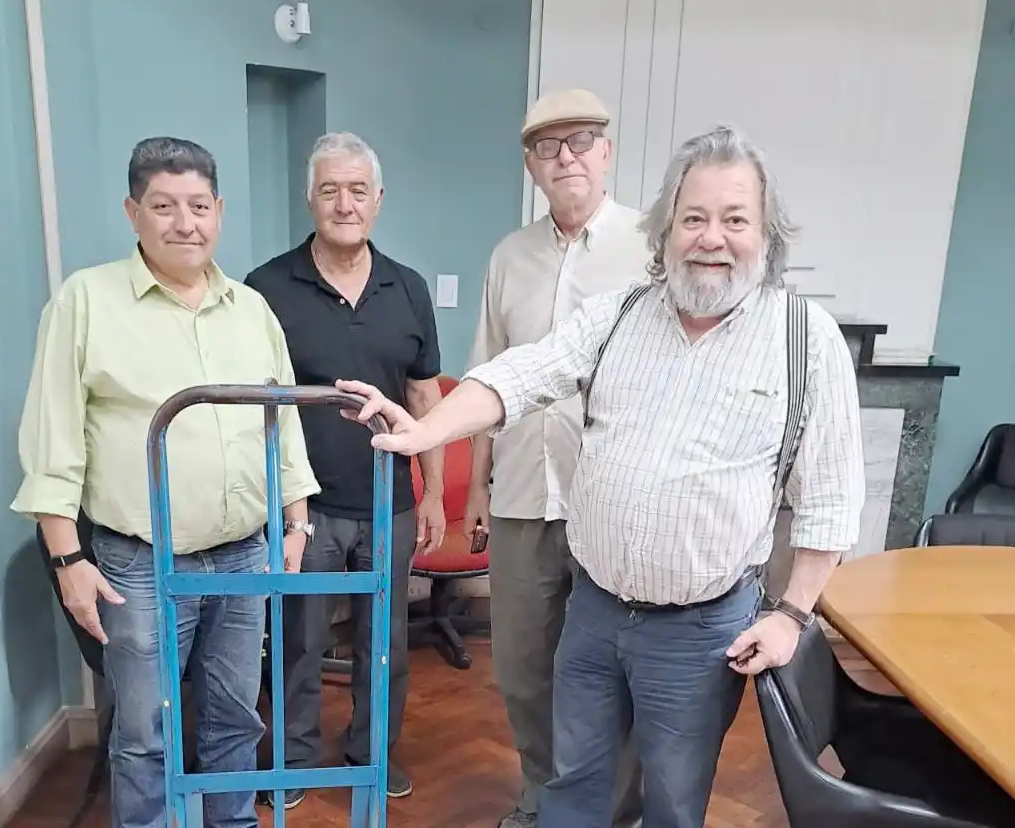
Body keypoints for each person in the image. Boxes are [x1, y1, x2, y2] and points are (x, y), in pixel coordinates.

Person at [334, 124, 867, 828]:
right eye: (694, 218)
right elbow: (521, 373)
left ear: (768, 235)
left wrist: (794, 616)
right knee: (573, 782)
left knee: (674, 800)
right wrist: (425, 429)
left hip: (702, 630)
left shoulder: (805, 339)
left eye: (735, 220)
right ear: (666, 230)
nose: (712, 238)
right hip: (596, 611)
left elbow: (830, 496)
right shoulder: (618, 317)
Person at [10, 137, 321, 828]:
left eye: (199, 206)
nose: (185, 223)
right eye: (164, 206)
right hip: (139, 561)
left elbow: (285, 426)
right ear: (133, 212)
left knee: (235, 721)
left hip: (244, 553)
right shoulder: (85, 302)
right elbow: (52, 439)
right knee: (147, 735)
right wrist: (67, 558)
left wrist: (295, 523)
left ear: (220, 212)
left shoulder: (250, 309)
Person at [245, 132, 445, 809]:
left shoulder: (408, 289)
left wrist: (436, 493)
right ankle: (293, 760)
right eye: (330, 189)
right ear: (310, 199)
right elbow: (251, 409)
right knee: (297, 642)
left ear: (378, 200)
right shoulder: (266, 287)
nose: (344, 203)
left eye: (358, 190)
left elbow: (424, 399)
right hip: (304, 509)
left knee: (382, 646)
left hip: (389, 502)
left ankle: (372, 756)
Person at [465, 88, 647, 828]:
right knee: (523, 670)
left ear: (606, 152)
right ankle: (544, 799)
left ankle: (613, 811)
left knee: (617, 671)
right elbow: (488, 373)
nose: (565, 156)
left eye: (581, 141)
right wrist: (477, 486)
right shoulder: (510, 257)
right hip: (519, 499)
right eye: (548, 146)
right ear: (531, 164)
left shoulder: (651, 246)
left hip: (613, 502)